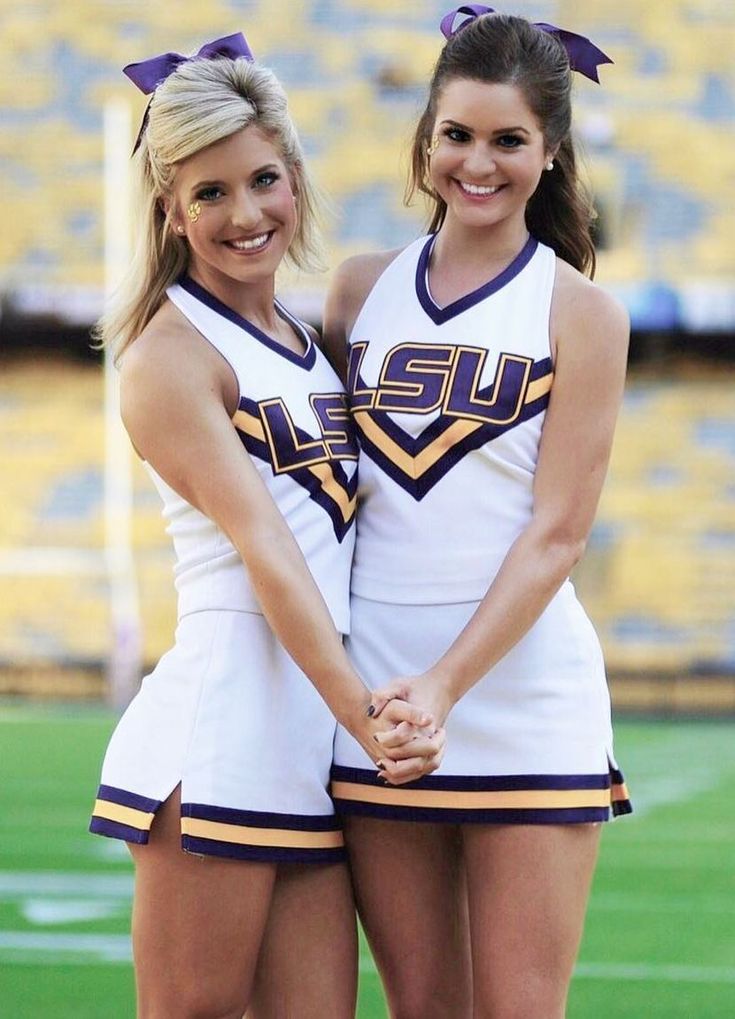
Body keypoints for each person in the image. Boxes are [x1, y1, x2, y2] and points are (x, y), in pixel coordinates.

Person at [88, 34, 443, 1019]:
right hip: (226, 726)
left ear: (296, 178)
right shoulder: (168, 356)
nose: (245, 214)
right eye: (209, 193)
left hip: (308, 738)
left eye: (263, 181)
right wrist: (367, 715)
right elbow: (270, 554)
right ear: (169, 207)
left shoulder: (307, 339)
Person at [325, 8, 632, 1018]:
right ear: (425, 138)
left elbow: (558, 531)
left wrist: (446, 687)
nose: (478, 161)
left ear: (549, 153)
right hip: (379, 702)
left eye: (509, 140)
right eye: (458, 134)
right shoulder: (356, 291)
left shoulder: (582, 313)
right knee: (425, 1010)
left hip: (516, 693)